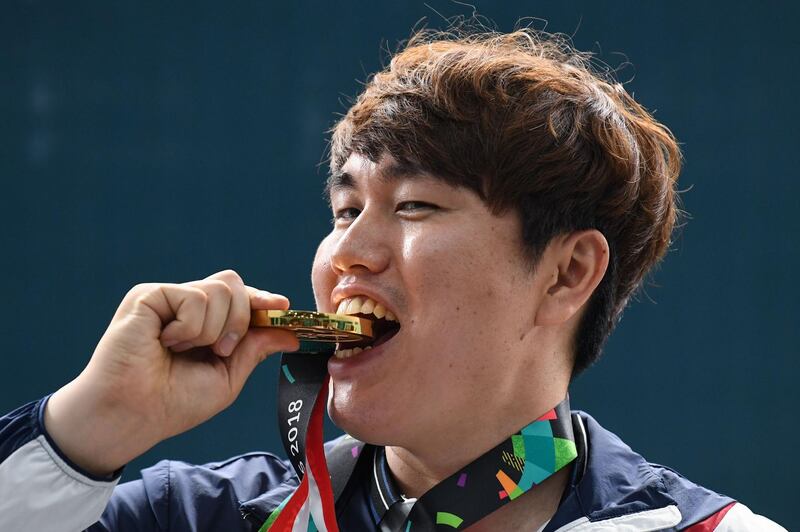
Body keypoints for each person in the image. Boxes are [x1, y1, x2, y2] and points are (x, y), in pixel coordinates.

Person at [0, 28, 786, 532]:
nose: (349, 252)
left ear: (567, 273)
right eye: (344, 210)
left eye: (413, 205)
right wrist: (89, 429)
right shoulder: (203, 518)